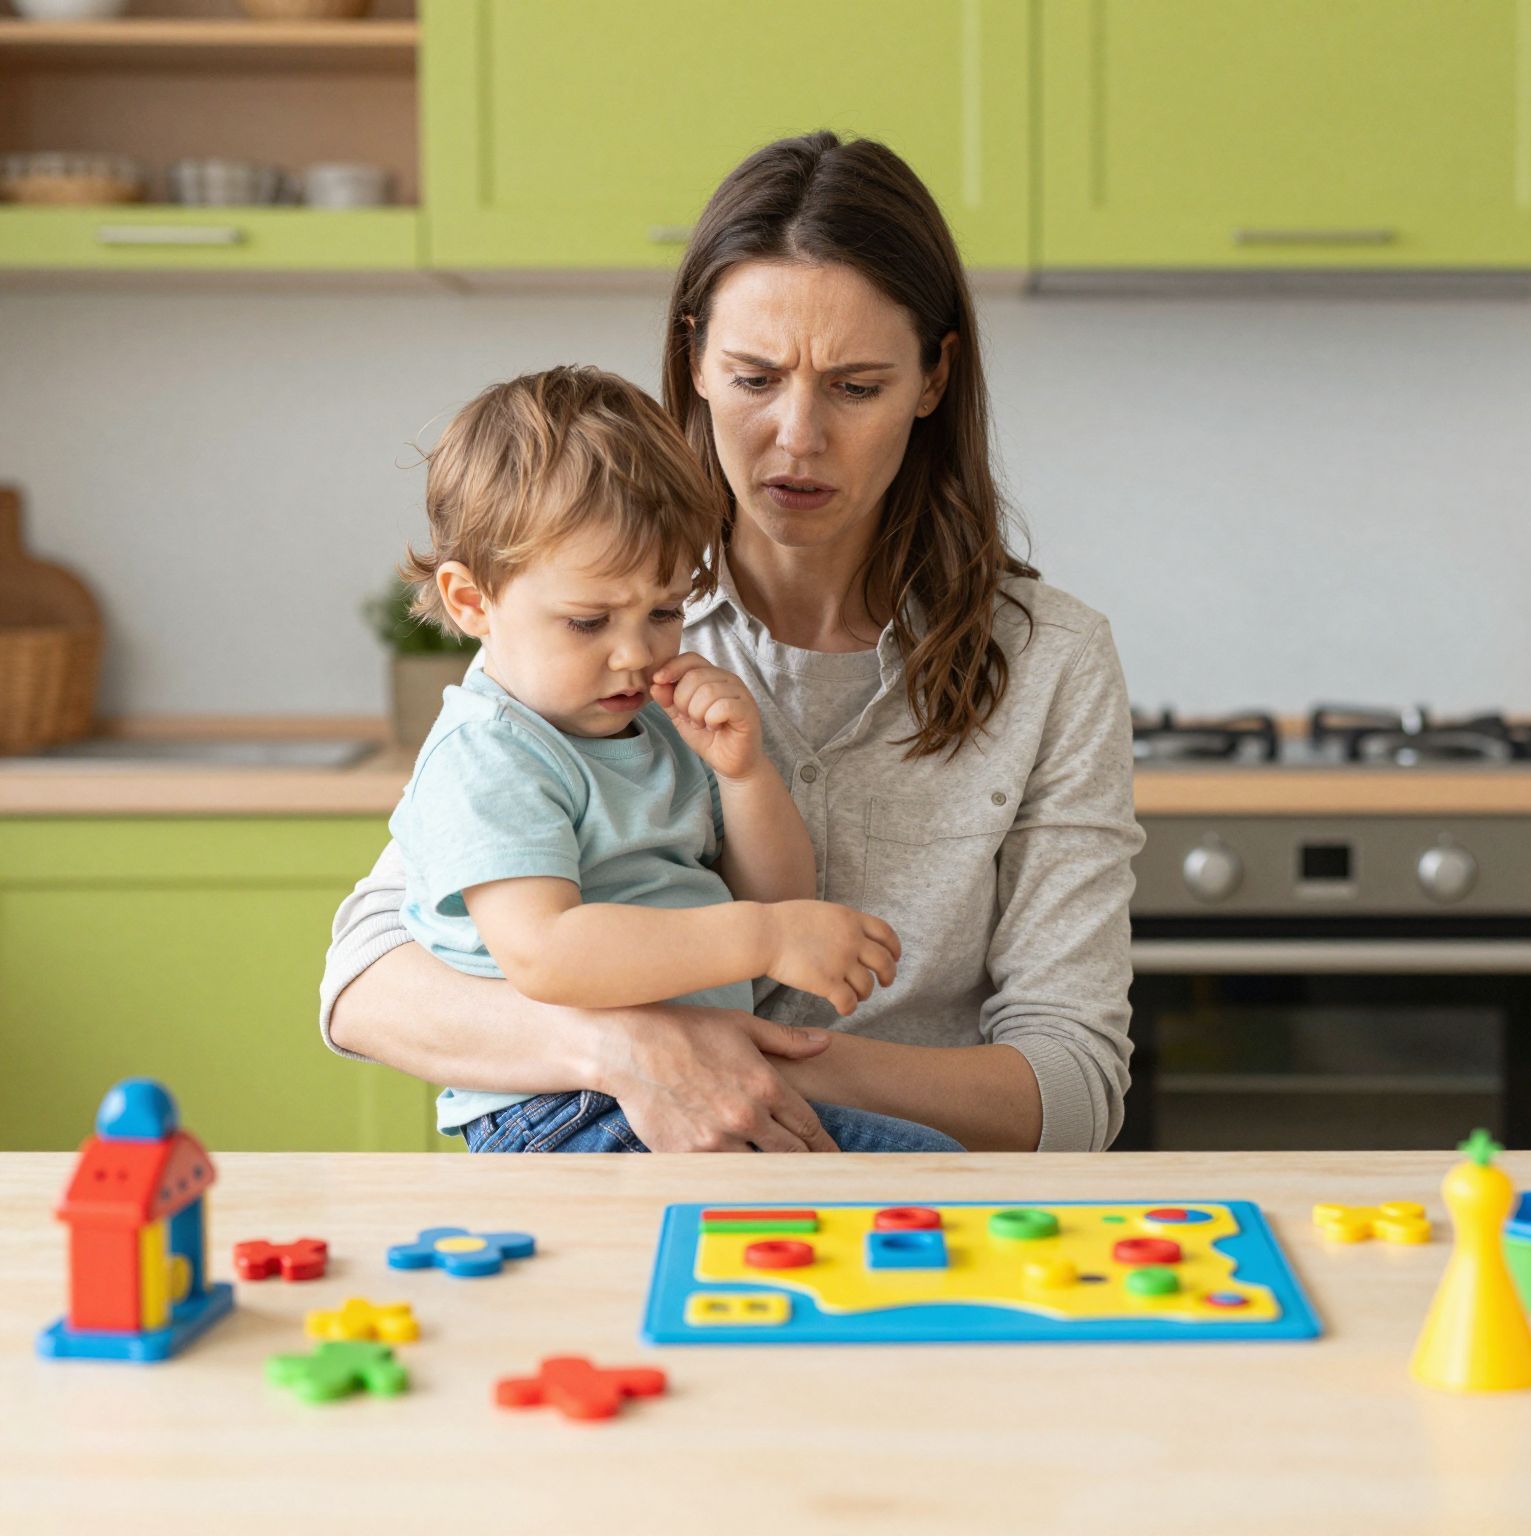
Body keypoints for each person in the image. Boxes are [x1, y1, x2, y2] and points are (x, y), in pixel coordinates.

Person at [321, 131, 1143, 1154]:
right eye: (753, 378)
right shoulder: (594, 626)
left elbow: (1074, 1090)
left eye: (855, 387)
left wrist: (732, 1063)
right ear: (695, 361)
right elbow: (364, 978)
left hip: (916, 1212)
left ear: (933, 379)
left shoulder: (1053, 661)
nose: (797, 437)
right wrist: (621, 1052)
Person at [384, 364, 923, 1154]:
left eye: (665, 611)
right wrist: (762, 938)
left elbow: (776, 894)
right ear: (472, 602)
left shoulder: (651, 727)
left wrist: (744, 775)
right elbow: (546, 954)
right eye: (588, 621)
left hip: (682, 1082)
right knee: (916, 1175)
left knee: (916, 1172)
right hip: (565, 1104)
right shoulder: (490, 753)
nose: (636, 653)